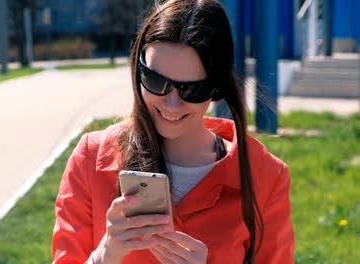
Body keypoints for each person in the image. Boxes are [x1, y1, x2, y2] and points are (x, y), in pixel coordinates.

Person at [52, 0, 294, 263]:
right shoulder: (91, 157)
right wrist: (104, 255)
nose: (171, 104)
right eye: (156, 81)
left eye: (192, 90)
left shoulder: (265, 175)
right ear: (138, 66)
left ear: (216, 89)